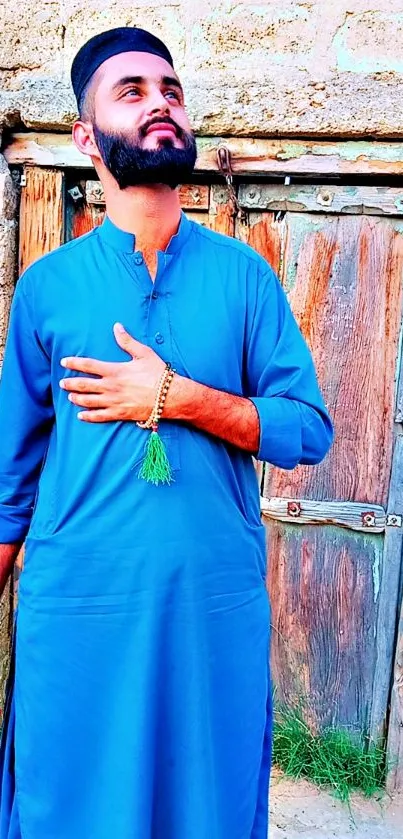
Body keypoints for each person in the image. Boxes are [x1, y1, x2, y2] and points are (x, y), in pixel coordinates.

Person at [0, 26, 333, 839]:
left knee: (204, 809)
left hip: (208, 608)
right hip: (78, 610)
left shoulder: (243, 278)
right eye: (133, 91)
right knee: (66, 808)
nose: (160, 104)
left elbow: (306, 428)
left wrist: (175, 395)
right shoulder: (47, 288)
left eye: (170, 89)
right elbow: (10, 483)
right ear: (86, 137)